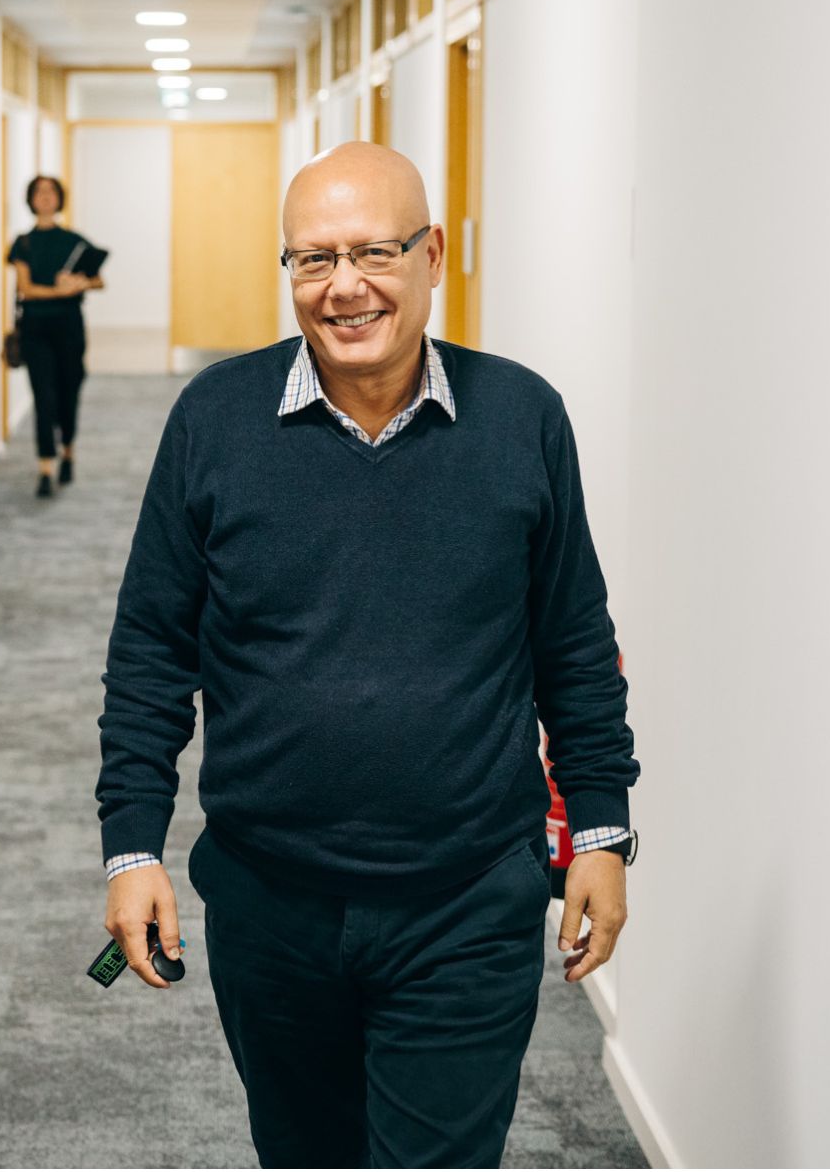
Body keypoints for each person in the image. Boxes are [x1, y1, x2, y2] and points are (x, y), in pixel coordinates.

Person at [94, 143, 638, 1168]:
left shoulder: (520, 417)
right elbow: (152, 651)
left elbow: (572, 643)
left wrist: (600, 829)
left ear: (433, 256)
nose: (343, 286)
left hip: (467, 898)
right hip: (270, 897)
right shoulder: (214, 418)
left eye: (373, 253)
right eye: (310, 260)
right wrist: (131, 844)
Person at [4, 175, 104, 497]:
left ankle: (68, 451)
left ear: (60, 199)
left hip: (69, 327)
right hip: (36, 330)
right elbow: (25, 288)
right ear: (31, 200)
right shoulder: (23, 243)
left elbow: (98, 280)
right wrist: (59, 290)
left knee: (68, 391)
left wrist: (79, 285)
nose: (45, 197)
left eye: (51, 192)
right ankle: (45, 465)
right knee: (43, 396)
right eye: (39, 192)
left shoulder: (75, 241)